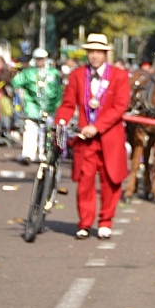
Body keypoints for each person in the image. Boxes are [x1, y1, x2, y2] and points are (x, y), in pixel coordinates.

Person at [54, 34, 130, 239]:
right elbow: (68, 104)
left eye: (99, 52)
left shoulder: (119, 76)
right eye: (91, 52)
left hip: (109, 137)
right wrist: (60, 122)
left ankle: (106, 221)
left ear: (106, 53)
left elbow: (120, 107)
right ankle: (85, 223)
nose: (95, 56)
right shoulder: (77, 75)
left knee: (111, 180)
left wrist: (97, 127)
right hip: (84, 138)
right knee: (84, 181)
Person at [11, 48, 62, 164]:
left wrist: (57, 104)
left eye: (42, 59)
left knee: (47, 130)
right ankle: (28, 154)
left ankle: (44, 154)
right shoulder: (28, 73)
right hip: (32, 107)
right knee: (30, 129)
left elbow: (58, 89)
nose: (40, 61)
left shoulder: (53, 73)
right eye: (38, 59)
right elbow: (15, 82)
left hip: (49, 107)